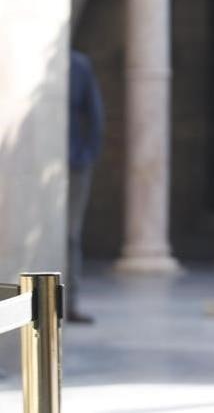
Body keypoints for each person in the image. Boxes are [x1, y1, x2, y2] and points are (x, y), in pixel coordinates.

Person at [67, 50, 105, 324]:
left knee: (70, 236)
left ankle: (68, 304)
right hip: (32, 163)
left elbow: (95, 114)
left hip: (73, 165)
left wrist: (85, 156)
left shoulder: (78, 65)